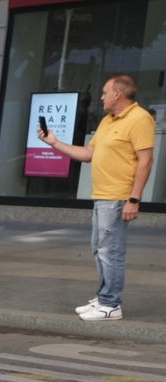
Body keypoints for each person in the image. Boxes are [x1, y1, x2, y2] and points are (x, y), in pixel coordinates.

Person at [39, 73, 155, 322]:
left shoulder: (139, 119)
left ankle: (111, 304)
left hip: (118, 197)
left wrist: (133, 199)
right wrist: (54, 142)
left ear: (118, 94)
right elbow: (87, 153)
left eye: (104, 92)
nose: (101, 97)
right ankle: (103, 296)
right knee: (99, 249)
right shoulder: (107, 121)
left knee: (111, 252)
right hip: (102, 196)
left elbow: (146, 161)